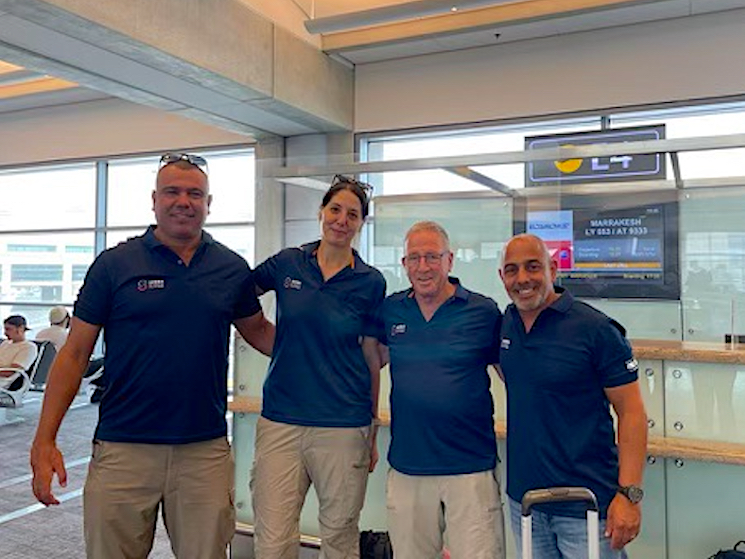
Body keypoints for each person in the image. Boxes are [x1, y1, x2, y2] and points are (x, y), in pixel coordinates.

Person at [30, 152, 274, 559]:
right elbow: (74, 355)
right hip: (123, 448)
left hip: (203, 451)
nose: (184, 201)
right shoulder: (114, 265)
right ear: (154, 200)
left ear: (208, 204)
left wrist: (335, 351)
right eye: (172, 192)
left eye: (195, 193)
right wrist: (44, 440)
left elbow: (261, 333)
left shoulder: (230, 268)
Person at [251, 175, 386, 559]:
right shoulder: (288, 262)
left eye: (353, 214)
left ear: (361, 223)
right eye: (335, 210)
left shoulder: (370, 282)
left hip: (344, 426)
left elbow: (371, 356)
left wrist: (372, 429)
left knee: (340, 541)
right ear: (322, 213)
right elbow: (238, 296)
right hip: (281, 421)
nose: (342, 220)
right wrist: (268, 340)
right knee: (273, 541)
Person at [497, 234, 648, 559]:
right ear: (502, 277)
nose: (522, 278)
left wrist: (629, 495)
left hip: (587, 504)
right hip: (525, 503)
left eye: (533, 267)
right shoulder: (506, 324)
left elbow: (632, 412)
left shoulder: (595, 329)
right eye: (512, 270)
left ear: (553, 269)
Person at [376, 221, 505, 559]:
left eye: (432, 256)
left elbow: (516, 376)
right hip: (408, 467)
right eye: (414, 258)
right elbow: (367, 362)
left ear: (450, 260)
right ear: (403, 264)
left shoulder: (483, 311)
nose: (423, 267)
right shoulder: (391, 310)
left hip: (470, 467)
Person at [0, 315, 38, 387]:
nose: (5, 333)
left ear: (20, 329)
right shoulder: (5, 343)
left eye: (8, 329)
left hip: (4, 382)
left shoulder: (28, 347)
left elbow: (11, 372)